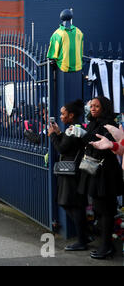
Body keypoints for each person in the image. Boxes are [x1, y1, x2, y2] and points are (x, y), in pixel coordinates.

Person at [78, 97, 123, 259]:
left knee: (106, 210)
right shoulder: (92, 122)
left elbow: (104, 146)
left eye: (97, 106)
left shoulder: (109, 124)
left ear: (104, 108)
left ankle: (107, 246)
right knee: (99, 209)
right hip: (94, 171)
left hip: (106, 173)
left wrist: (84, 135)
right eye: (92, 106)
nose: (93, 109)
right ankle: (106, 245)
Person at [48, 99, 90, 251]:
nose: (60, 116)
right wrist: (59, 133)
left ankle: (82, 240)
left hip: (73, 172)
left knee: (72, 204)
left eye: (63, 114)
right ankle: (84, 235)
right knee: (69, 203)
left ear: (71, 115)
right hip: (73, 170)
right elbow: (67, 146)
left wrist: (53, 135)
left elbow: (62, 149)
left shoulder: (73, 129)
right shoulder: (72, 129)